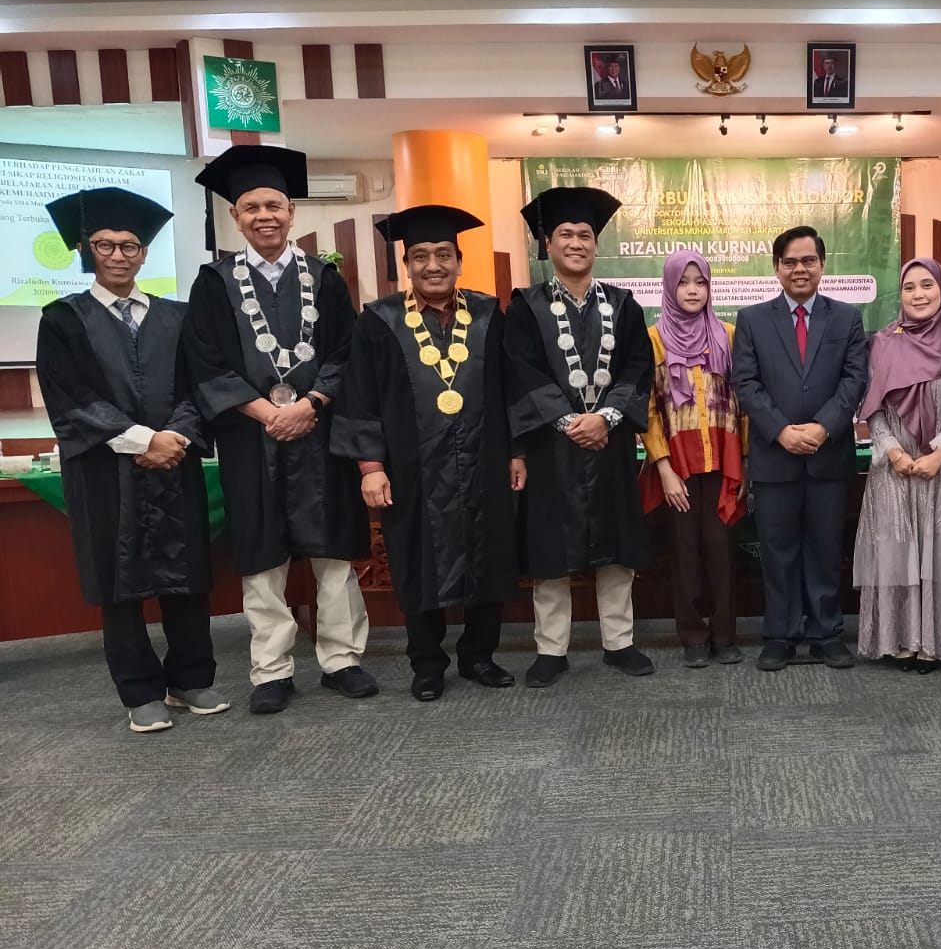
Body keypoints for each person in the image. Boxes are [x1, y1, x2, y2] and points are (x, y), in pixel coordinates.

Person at [183, 144, 377, 714]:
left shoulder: (326, 277)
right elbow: (204, 361)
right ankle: (271, 669)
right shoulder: (214, 282)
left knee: (333, 553)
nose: (264, 216)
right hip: (252, 437)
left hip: (320, 432)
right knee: (262, 556)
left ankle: (342, 660)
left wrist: (311, 403)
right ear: (235, 216)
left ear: (292, 212)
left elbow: (346, 352)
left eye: (274, 205)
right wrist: (266, 412)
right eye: (251, 207)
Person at [36, 187, 228, 733]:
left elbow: (200, 386)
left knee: (186, 572)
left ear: (143, 254)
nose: (118, 255)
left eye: (129, 246)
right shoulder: (62, 319)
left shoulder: (179, 316)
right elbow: (70, 398)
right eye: (105, 244)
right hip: (104, 470)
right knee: (117, 579)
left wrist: (175, 437)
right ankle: (139, 690)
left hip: (175, 463)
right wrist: (144, 440)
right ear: (85, 249)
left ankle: (190, 677)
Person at [333, 206, 522, 702]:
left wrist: (517, 453)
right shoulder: (379, 321)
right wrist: (371, 467)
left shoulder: (488, 315)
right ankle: (427, 663)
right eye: (420, 256)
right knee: (415, 557)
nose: (433, 265)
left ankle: (479, 655)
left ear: (459, 261)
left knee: (489, 552)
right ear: (406, 265)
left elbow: (511, 389)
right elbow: (360, 397)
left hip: (484, 459)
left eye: (443, 255)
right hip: (410, 467)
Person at [505, 186, 655, 688]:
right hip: (552, 450)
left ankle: (620, 643)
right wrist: (568, 422)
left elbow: (638, 367)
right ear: (547, 244)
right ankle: (551, 650)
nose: (576, 242)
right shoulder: (525, 308)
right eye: (565, 234)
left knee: (617, 550)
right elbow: (521, 372)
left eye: (585, 234)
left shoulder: (624, 305)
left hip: (610, 446)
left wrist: (606, 418)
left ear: (595, 244)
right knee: (551, 552)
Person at [732, 225, 870, 672]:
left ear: (822, 265)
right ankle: (781, 635)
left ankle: (827, 634)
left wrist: (823, 427)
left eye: (808, 260)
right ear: (776, 268)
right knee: (777, 552)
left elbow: (854, 380)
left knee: (826, 550)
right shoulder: (752, 320)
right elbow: (746, 384)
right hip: (775, 457)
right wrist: (782, 431)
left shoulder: (846, 318)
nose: (799, 269)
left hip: (828, 456)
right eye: (790, 261)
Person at [853, 258, 941, 672]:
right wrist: (892, 450)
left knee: (940, 553)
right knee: (897, 551)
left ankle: (935, 644)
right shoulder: (882, 344)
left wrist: (940, 452)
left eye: (927, 285)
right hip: (894, 466)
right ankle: (901, 640)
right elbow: (872, 408)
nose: (918, 294)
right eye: (909, 287)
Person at [641, 250, 746, 668]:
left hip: (723, 458)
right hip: (677, 464)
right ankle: (692, 636)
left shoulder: (728, 335)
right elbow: (648, 409)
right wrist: (663, 467)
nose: (692, 290)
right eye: (683, 282)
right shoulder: (653, 339)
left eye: (700, 282)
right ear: (669, 286)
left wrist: (744, 460)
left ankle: (724, 634)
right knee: (685, 551)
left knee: (721, 550)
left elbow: (743, 401)